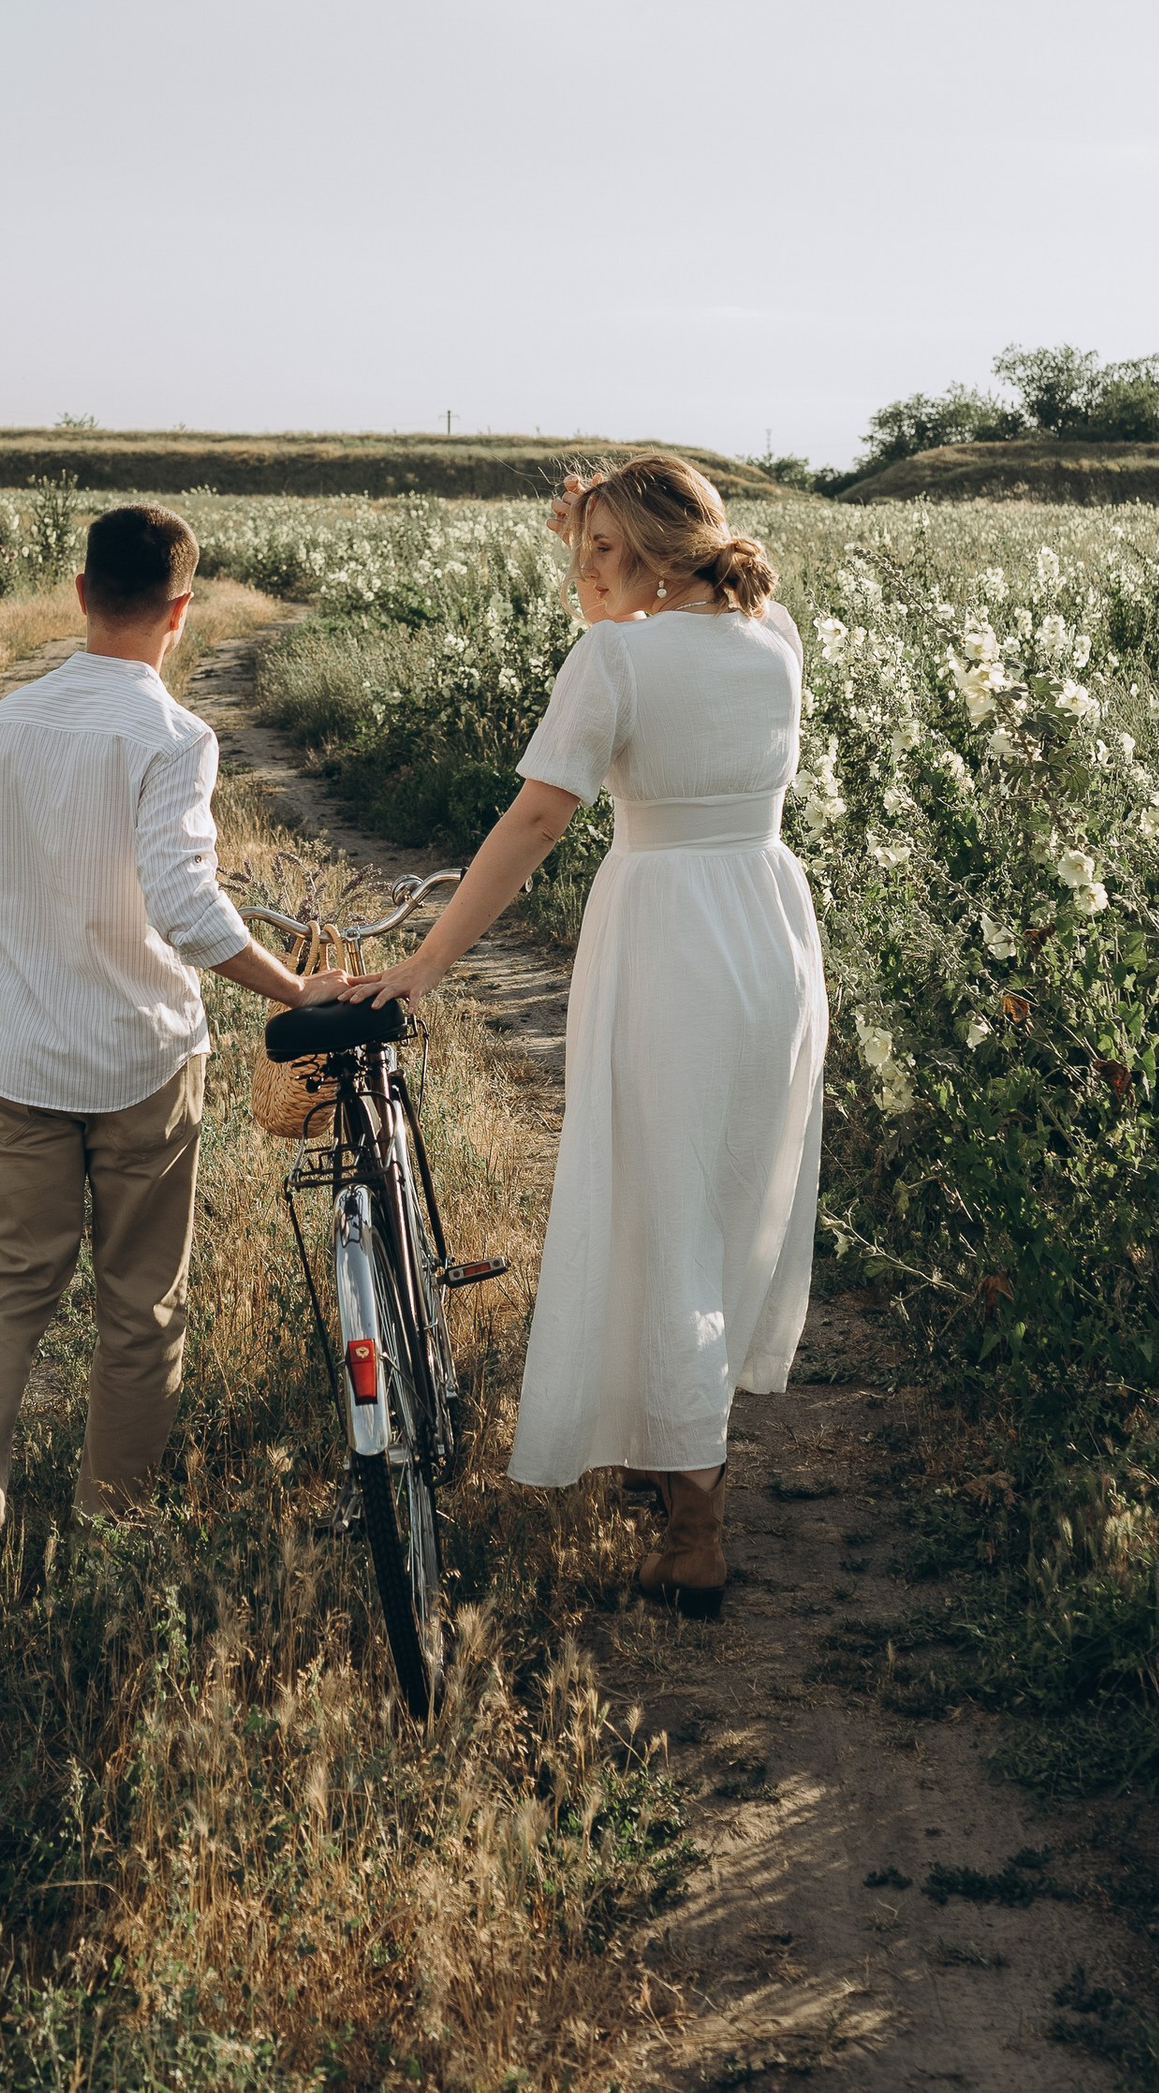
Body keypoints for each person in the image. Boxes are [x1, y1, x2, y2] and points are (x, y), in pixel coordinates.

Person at [350, 453, 827, 1616]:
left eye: (603, 554)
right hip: (768, 927)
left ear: (659, 554)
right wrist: (601, 544)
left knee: (664, 1208)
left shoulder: (614, 658)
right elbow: (675, 700)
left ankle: (695, 1527)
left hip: (669, 937)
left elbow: (536, 816)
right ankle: (675, 1448)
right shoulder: (773, 637)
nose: (585, 577)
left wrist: (426, 960)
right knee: (725, 1196)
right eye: (580, 554)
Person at [0, 502, 324, 1646]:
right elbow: (185, 905)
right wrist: (295, 990)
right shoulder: (172, 736)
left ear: (83, 591)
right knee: (139, 1305)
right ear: (181, 612)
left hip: (26, 1051)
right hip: (141, 1057)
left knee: (4, 1292)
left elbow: (0, 875)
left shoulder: (5, 723)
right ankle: (109, 1540)